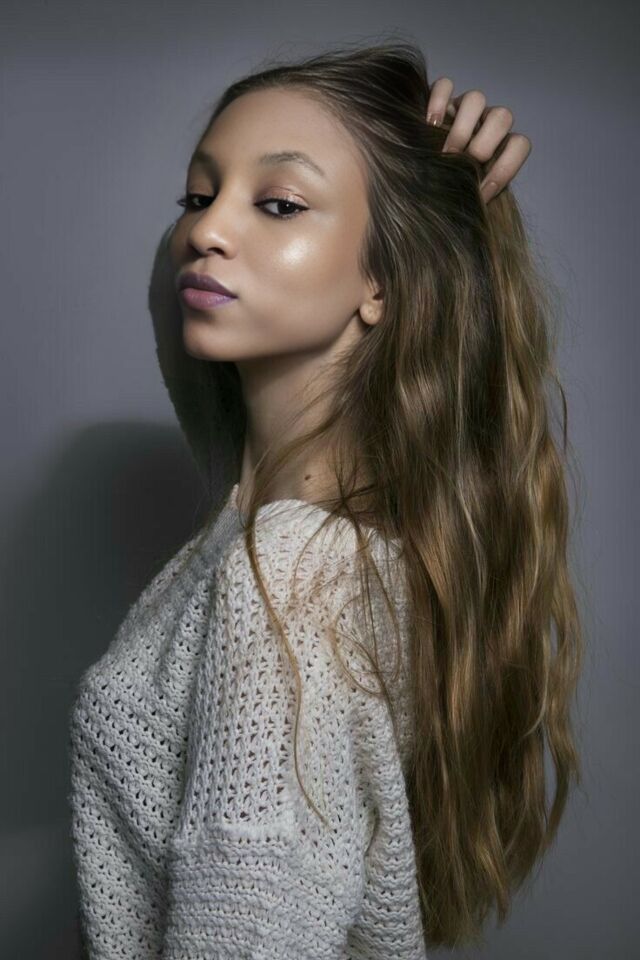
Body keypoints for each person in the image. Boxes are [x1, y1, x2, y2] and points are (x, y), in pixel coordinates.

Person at [68, 41, 582, 960]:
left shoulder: (286, 583)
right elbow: (178, 307)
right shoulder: (285, 511)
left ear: (383, 277)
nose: (207, 231)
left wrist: (434, 198)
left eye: (278, 204)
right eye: (197, 197)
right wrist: (437, 191)